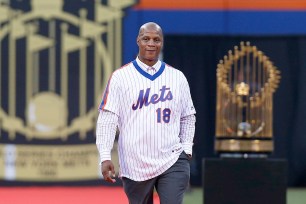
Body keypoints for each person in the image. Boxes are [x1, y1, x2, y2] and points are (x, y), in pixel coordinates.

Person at [96, 22, 196, 204]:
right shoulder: (121, 77)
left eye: (156, 39)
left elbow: (188, 116)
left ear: (162, 43)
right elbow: (107, 119)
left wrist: (186, 148)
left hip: (172, 158)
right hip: (135, 162)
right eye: (146, 39)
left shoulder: (177, 77)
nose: (151, 43)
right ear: (138, 41)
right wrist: (105, 156)